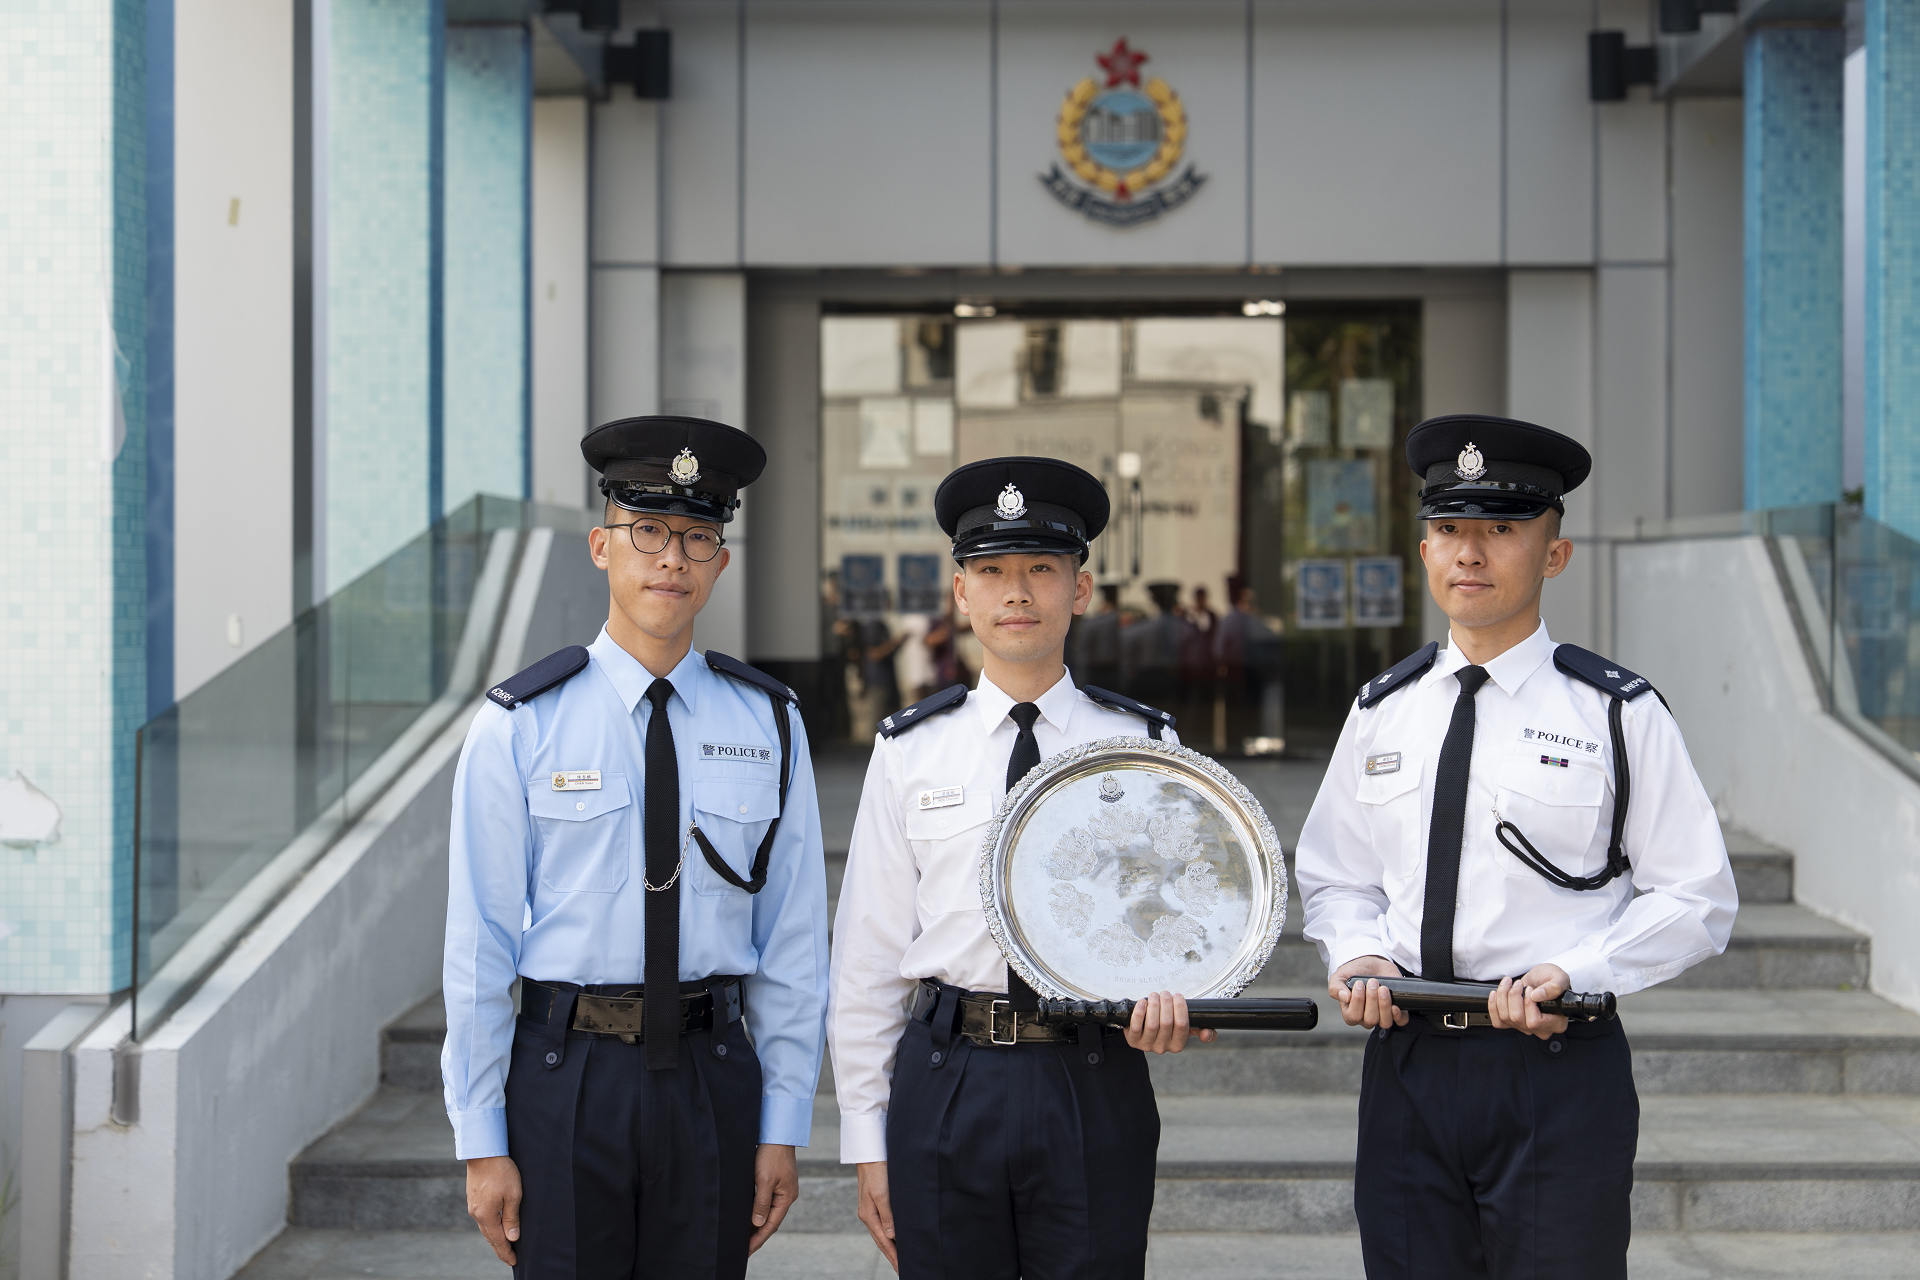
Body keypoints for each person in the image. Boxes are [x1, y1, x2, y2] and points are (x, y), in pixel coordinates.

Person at [1294, 414, 1738, 1279]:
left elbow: (1698, 897)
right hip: (1408, 1063)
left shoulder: (1615, 711)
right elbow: (1335, 877)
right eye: (1450, 529)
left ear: (1554, 554)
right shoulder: (1381, 710)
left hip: (1555, 1065)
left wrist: (1582, 970)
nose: (1470, 551)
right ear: (1424, 552)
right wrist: (1360, 954)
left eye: (1501, 528)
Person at [443, 415, 830, 1280]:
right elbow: (478, 947)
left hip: (713, 1071)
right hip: (565, 1076)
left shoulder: (769, 721)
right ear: (601, 546)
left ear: (721, 563)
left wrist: (783, 1123)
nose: (672, 559)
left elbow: (795, 940)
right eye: (648, 531)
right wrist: (481, 1139)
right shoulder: (520, 725)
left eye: (698, 537)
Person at [828, 456, 1213, 1280]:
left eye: (1042, 568)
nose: (1017, 592)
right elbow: (868, 955)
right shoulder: (911, 750)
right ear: (960, 592)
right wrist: (867, 1136)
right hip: (946, 1079)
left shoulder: (1145, 748)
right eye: (993, 571)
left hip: (1092, 1074)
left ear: (1081, 588)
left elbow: (1188, 918)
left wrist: (1185, 991)